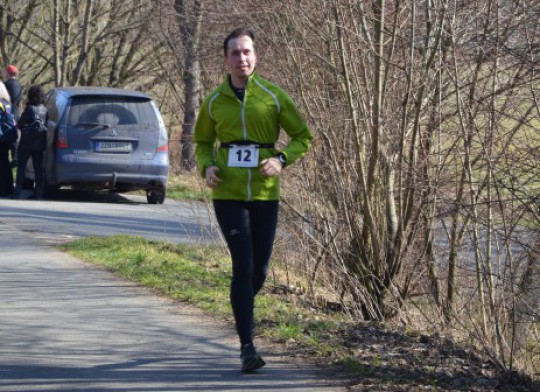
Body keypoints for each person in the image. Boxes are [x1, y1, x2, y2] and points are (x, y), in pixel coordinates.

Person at [194, 27, 312, 372]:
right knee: (243, 265)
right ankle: (247, 346)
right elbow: (202, 143)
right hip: (228, 193)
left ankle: (241, 305)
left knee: (259, 270)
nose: (241, 58)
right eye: (235, 53)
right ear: (226, 59)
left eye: (247, 52)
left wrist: (281, 159)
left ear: (255, 56)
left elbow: (302, 137)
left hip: (264, 192)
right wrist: (207, 166)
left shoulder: (273, 97)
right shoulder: (215, 101)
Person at [13, 85, 48, 200]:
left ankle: (17, 193)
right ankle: (38, 194)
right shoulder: (45, 109)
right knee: (38, 169)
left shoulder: (29, 109)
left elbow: (19, 124)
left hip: (27, 143)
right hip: (39, 143)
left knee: (22, 167)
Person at [5, 65, 23, 168]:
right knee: (15, 137)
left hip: (7, 113)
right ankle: (16, 158)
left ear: (8, 73)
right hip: (17, 113)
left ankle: (11, 160)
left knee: (7, 137)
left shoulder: (6, 85)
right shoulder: (19, 85)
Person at [0, 81, 15, 196]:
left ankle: (3, 189)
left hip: (1, 136)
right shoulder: (6, 103)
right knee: (5, 162)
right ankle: (8, 188)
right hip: (7, 136)